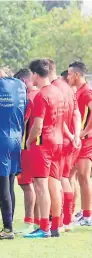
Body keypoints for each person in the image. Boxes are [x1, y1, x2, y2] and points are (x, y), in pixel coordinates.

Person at [0, 61, 27, 240]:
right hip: (17, 139)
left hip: (0, 139)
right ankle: (9, 227)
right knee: (10, 185)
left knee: (2, 187)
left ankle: (7, 230)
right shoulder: (20, 84)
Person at [24, 59, 65, 238]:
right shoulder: (59, 92)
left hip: (43, 144)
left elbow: (38, 126)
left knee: (41, 186)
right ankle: (55, 226)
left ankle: (44, 228)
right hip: (58, 142)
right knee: (54, 185)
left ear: (35, 74)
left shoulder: (41, 95)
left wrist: (28, 140)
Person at [48, 60, 81, 232]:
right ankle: (68, 220)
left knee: (57, 179)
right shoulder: (68, 88)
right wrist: (76, 135)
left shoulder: (55, 89)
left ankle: (58, 220)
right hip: (70, 142)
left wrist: (70, 135)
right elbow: (76, 113)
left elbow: (59, 117)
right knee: (67, 178)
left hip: (60, 140)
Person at [13, 68, 39, 233]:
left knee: (28, 185)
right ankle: (42, 221)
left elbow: (22, 122)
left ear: (22, 82)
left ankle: (30, 222)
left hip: (28, 147)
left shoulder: (28, 98)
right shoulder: (44, 94)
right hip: (48, 145)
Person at [68, 61, 92, 226]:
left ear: (77, 75)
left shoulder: (86, 92)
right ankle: (73, 212)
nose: (68, 77)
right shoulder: (78, 91)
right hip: (78, 142)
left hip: (86, 142)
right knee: (71, 176)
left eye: (69, 74)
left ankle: (87, 216)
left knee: (83, 177)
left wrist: (84, 132)